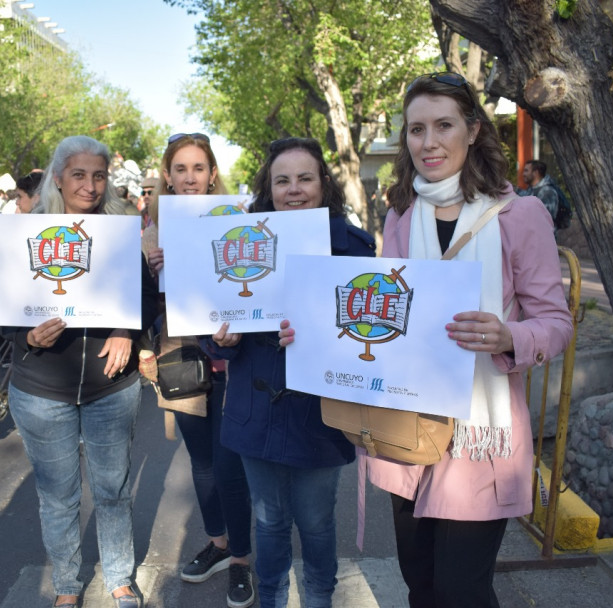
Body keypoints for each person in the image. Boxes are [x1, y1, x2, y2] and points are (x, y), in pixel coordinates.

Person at [283, 73, 572, 608]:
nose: (429, 142)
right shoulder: (400, 214)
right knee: (421, 585)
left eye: (444, 125)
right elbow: (381, 312)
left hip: (479, 438)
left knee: (462, 590)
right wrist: (315, 334)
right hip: (405, 432)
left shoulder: (520, 215)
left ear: (473, 129)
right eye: (417, 129)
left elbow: (555, 322)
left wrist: (511, 334)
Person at [205, 137, 375, 608]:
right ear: (268, 188)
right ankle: (271, 599)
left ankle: (320, 598)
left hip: (321, 418)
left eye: (305, 178)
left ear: (323, 184)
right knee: (269, 521)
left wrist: (323, 337)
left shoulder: (356, 249)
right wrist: (220, 339)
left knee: (317, 521)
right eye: (283, 180)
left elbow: (376, 339)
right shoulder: (239, 240)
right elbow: (208, 319)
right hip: (254, 412)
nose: (294, 189)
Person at [2, 135, 156, 608]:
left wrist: (128, 332)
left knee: (112, 490)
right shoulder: (26, 233)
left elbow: (148, 297)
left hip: (110, 385)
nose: (89, 185)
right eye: (79, 175)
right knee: (59, 496)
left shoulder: (120, 230)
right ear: (58, 178)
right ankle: (67, 587)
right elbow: (4, 309)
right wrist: (26, 335)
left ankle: (119, 579)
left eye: (99, 175)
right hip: (42, 388)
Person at [142, 132, 254, 608]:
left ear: (212, 175)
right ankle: (221, 544)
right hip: (180, 357)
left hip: (231, 355)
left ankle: (244, 562)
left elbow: (257, 280)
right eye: (181, 169)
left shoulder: (240, 217)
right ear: (168, 174)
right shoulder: (148, 227)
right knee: (203, 462)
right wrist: (152, 271)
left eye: (199, 168)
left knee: (232, 464)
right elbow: (137, 303)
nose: (190, 177)